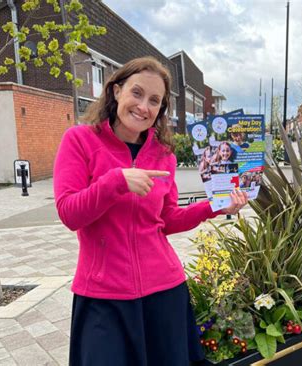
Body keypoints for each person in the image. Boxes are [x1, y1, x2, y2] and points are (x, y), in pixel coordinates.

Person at [53, 57, 248, 366]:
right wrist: (116, 181)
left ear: (161, 109)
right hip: (104, 297)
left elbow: (167, 220)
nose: (144, 106)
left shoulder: (163, 155)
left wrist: (214, 206)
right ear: (116, 91)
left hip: (164, 291)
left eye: (154, 101)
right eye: (137, 93)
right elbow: (69, 213)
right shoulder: (79, 141)